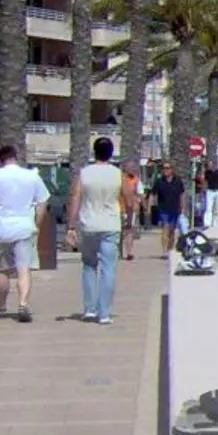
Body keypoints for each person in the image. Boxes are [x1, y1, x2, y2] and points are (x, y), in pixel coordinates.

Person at [0, 144, 50, 323]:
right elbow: (42, 202)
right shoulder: (31, 176)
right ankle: (23, 304)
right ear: (16, 157)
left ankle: (1, 306)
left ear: (0, 160)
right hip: (24, 227)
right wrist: (36, 225)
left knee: (2, 270)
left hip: (0, 229)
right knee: (23, 269)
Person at [67, 137, 125, 325]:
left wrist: (71, 225)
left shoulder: (84, 174)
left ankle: (90, 309)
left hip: (89, 225)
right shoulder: (118, 174)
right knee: (108, 269)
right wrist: (129, 217)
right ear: (111, 153)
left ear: (94, 152)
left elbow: (75, 197)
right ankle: (105, 313)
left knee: (89, 266)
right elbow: (130, 199)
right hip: (110, 226)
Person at [151, 160, 187, 253]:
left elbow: (182, 195)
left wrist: (183, 208)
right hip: (163, 209)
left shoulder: (178, 181)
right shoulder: (159, 181)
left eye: (167, 168)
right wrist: (151, 207)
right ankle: (164, 251)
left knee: (172, 231)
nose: (165, 170)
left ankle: (170, 249)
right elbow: (153, 194)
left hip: (175, 209)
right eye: (164, 168)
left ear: (172, 170)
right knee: (165, 229)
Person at [118, 163, 141, 261]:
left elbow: (140, 193)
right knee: (118, 232)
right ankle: (118, 253)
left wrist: (137, 202)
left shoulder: (136, 180)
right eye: (130, 167)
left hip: (131, 209)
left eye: (133, 167)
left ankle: (129, 252)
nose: (132, 169)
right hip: (119, 208)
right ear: (125, 168)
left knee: (129, 230)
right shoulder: (118, 179)